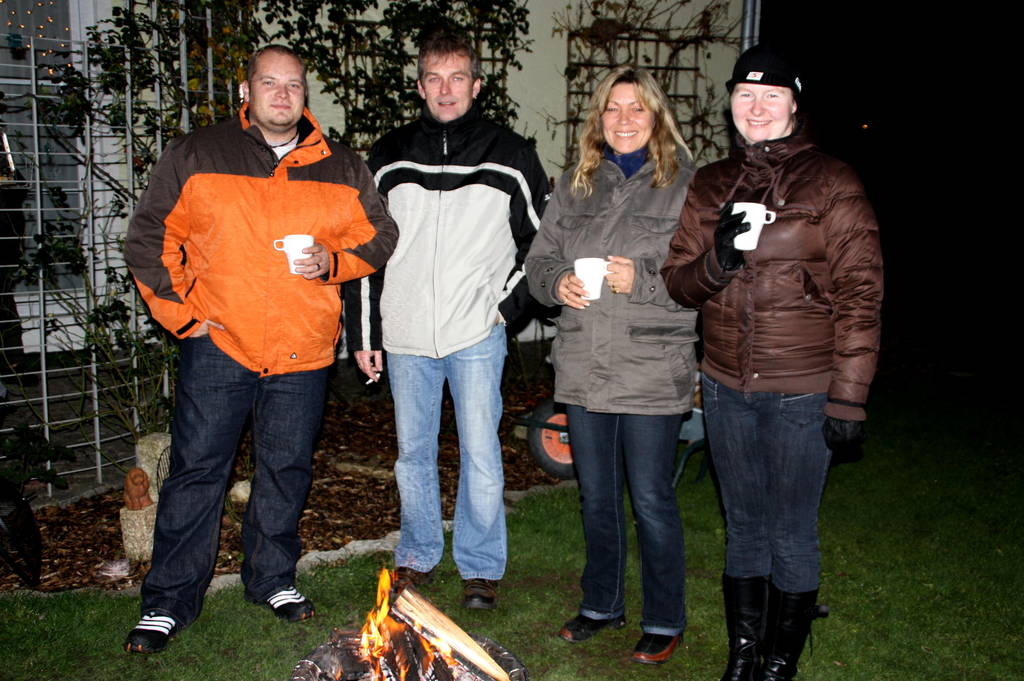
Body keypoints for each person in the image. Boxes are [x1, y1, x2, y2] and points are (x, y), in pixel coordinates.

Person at [123, 44, 398, 654]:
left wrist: (333, 262)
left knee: (286, 469)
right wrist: (182, 316)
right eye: (268, 83)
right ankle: (168, 600)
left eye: (293, 84)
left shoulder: (341, 164)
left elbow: (380, 235)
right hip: (221, 343)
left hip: (303, 349)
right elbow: (148, 239)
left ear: (305, 94)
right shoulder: (197, 153)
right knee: (197, 472)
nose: (282, 94)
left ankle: (271, 578)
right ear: (245, 92)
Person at [661, 45, 882, 681]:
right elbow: (678, 284)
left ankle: (779, 662)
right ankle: (743, 656)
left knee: (792, 530)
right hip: (727, 384)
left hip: (804, 389)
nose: (756, 108)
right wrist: (719, 261)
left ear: (794, 104)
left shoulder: (833, 181)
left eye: (772, 96)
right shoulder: (708, 184)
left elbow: (862, 295)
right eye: (744, 95)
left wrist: (848, 396)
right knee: (745, 526)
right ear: (730, 101)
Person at [344, 31, 548, 610]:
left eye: (458, 77)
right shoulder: (387, 156)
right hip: (405, 333)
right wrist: (366, 332)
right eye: (434, 77)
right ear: (419, 86)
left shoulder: (511, 154)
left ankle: (481, 566)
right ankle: (417, 553)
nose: (446, 89)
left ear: (476, 85)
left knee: (481, 453)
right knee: (413, 454)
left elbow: (542, 244)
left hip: (475, 332)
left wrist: (503, 309)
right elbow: (362, 248)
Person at [525, 66, 697, 665]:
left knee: (651, 497)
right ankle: (601, 603)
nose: (623, 120)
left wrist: (643, 279)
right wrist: (558, 282)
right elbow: (539, 260)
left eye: (637, 109)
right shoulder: (577, 183)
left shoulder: (685, 185)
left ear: (657, 117)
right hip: (583, 363)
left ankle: (664, 616)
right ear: (599, 119)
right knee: (595, 495)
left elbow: (702, 277)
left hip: (652, 362)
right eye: (613, 109)